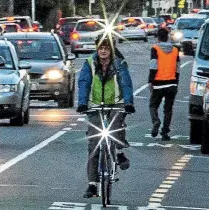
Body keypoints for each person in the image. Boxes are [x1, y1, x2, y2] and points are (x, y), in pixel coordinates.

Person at [76, 35, 135, 198]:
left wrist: (128, 102)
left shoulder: (119, 63)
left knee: (116, 128)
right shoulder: (89, 63)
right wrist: (82, 103)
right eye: (100, 48)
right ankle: (93, 185)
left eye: (106, 48)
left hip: (116, 103)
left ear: (111, 49)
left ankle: (119, 151)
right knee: (94, 143)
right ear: (97, 48)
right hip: (95, 105)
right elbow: (84, 83)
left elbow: (126, 83)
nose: (103, 51)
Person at [149, 28, 180, 141]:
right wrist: (176, 83)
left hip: (158, 83)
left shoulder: (155, 48)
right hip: (171, 83)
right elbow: (177, 69)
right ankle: (165, 133)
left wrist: (150, 81)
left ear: (158, 37)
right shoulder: (175, 50)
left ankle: (156, 120)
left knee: (153, 105)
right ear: (167, 37)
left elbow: (153, 66)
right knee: (168, 109)